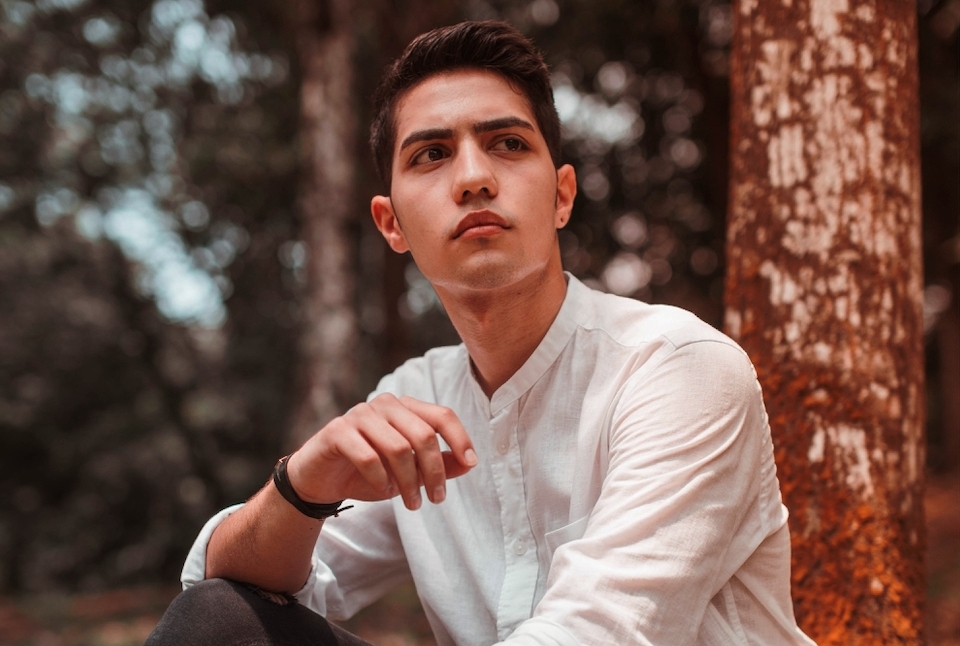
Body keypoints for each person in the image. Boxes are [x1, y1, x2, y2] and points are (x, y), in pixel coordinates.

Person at [145, 20, 816, 646]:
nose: (472, 178)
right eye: (432, 154)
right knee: (217, 619)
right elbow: (217, 590)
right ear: (392, 225)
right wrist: (302, 485)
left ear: (561, 196)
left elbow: (599, 634)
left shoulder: (676, 367)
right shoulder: (414, 398)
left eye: (508, 144)